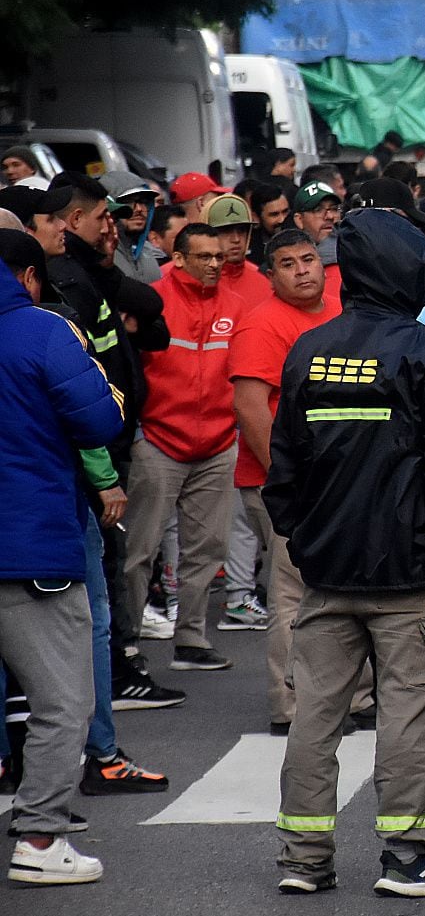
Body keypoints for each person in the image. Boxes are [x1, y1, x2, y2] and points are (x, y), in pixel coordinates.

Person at [266, 209, 425, 899]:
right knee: (408, 718)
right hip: (412, 575)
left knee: (315, 717)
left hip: (326, 573)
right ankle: (407, 855)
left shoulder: (308, 351)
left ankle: (304, 859)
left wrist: (307, 543)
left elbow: (284, 471)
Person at [0, 228, 125, 885]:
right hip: (33, 546)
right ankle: (41, 839)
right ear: (26, 277)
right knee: (61, 699)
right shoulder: (44, 333)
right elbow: (102, 422)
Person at [228, 230, 342, 732]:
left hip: (336, 480)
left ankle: (352, 699)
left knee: (342, 590)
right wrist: (289, 481)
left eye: (309, 259)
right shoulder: (263, 325)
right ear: (270, 275)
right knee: (293, 597)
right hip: (284, 485)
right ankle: (289, 705)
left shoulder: (340, 310)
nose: (302, 270)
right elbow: (251, 408)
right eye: (288, 263)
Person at [120, 224, 246, 673]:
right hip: (157, 441)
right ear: (177, 258)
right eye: (204, 256)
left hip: (216, 445)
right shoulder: (151, 301)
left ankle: (191, 640)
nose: (215, 263)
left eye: (218, 256)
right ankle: (126, 645)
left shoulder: (236, 306)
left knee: (207, 550)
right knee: (139, 552)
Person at [292, 181, 346, 299]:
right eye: (318, 210)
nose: (330, 216)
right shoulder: (286, 263)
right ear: (299, 220)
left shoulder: (354, 252)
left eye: (333, 209)